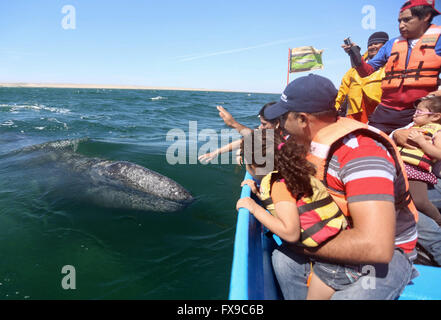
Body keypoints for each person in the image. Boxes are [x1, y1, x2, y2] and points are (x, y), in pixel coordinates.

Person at [263, 74, 419, 300]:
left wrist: (298, 242)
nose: (280, 124)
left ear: (303, 119)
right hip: (335, 234)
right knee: (283, 260)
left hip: (388, 252)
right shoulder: (306, 143)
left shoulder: (361, 154)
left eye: (283, 117)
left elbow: (376, 247)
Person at [236, 129, 352, 300]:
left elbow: (291, 233)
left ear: (254, 165)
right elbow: (292, 204)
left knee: (281, 258)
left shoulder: (279, 185)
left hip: (334, 264)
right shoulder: (292, 171)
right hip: (339, 247)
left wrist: (254, 207)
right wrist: (260, 194)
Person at [342, 0, 441, 134]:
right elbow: (366, 71)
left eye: (407, 20)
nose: (401, 25)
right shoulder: (391, 44)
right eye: (399, 21)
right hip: (387, 111)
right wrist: (354, 54)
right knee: (367, 142)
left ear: (426, 17)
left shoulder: (439, 39)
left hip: (419, 112)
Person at [393, 95, 441, 226]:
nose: (414, 115)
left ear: (435, 117)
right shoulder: (414, 126)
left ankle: (438, 221)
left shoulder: (437, 131)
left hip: (415, 171)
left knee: (419, 200)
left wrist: (422, 143)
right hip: (399, 167)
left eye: (419, 112)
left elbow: (439, 153)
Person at [335, 32, 389, 123]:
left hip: (378, 109)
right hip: (354, 112)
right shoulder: (356, 66)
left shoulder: (391, 63)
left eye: (376, 43)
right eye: (370, 45)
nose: (372, 47)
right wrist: (335, 108)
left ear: (385, 46)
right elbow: (343, 89)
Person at [198, 102, 278, 164]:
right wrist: (216, 152)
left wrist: (233, 124)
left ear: (277, 123)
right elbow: (248, 140)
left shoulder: (283, 139)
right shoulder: (267, 132)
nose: (261, 127)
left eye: (264, 124)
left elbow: (254, 138)